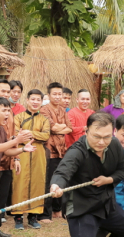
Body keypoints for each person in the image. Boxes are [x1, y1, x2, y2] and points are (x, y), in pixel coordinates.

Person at [0, 97, 30, 237]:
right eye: (4, 110)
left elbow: (6, 150)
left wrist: (22, 149)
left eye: (9, 111)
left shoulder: (1, 128)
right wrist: (16, 140)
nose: (7, 114)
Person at [11, 89, 49, 230]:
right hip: (21, 152)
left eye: (38, 100)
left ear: (42, 102)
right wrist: (31, 135)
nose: (35, 102)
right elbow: (15, 135)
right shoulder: (18, 117)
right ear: (27, 100)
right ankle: (18, 216)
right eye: (32, 99)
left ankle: (34, 216)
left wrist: (28, 133)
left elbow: (46, 136)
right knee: (19, 181)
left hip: (38, 153)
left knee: (37, 182)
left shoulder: (44, 119)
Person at [39, 82, 73, 222]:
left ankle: (57, 210)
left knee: (60, 179)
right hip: (49, 150)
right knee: (48, 181)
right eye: (55, 94)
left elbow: (70, 128)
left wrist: (60, 127)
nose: (58, 97)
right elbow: (51, 128)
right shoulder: (44, 110)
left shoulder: (62, 110)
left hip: (62, 150)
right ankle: (44, 214)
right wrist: (61, 127)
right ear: (49, 95)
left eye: (60, 94)